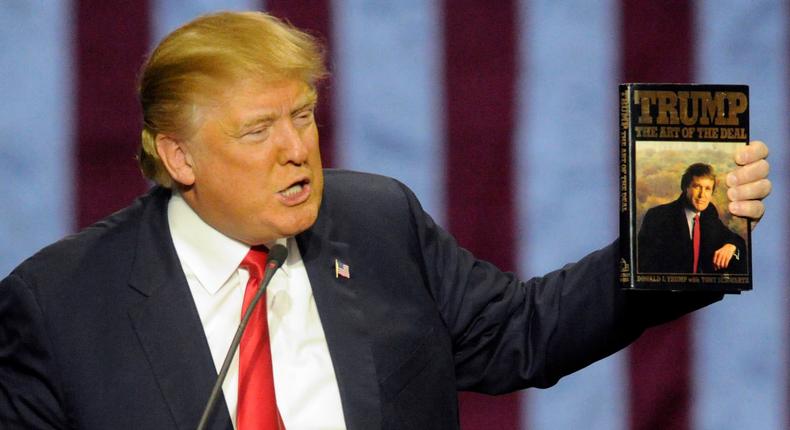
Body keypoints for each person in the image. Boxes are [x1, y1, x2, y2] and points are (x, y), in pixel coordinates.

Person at [0, 11, 772, 430]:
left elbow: (524, 333)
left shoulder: (374, 221)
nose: (297, 150)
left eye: (302, 115)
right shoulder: (63, 305)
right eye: (257, 130)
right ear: (180, 156)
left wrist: (686, 248)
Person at [638, 163, 748, 274]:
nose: (702, 195)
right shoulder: (658, 216)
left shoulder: (708, 213)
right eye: (697, 187)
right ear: (685, 188)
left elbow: (735, 240)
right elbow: (643, 265)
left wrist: (731, 246)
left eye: (707, 189)